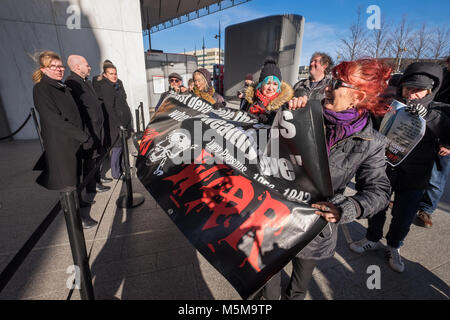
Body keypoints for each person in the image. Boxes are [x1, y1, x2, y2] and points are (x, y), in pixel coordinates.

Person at [265, 58, 392, 300]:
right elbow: (269, 153)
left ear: (358, 97)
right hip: (277, 215)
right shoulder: (305, 112)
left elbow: (380, 190)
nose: (327, 87)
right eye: (331, 80)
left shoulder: (372, 142)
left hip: (314, 226)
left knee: (298, 289)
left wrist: (348, 207)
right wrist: (289, 115)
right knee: (266, 281)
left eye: (336, 83)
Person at [350, 62, 450, 273]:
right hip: (384, 170)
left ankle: (394, 246)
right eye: (409, 89)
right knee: (376, 207)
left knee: (404, 215)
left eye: (418, 91)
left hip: (415, 175)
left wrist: (428, 117)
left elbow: (447, 131)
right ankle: (372, 238)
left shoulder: (436, 112)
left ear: (429, 91)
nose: (412, 95)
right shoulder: (390, 103)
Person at [32, 51, 91, 217]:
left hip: (72, 142)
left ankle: (79, 203)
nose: (59, 69)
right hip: (61, 145)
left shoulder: (61, 86)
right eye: (53, 66)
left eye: (61, 66)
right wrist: (82, 136)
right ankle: (75, 220)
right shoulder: (41, 88)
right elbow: (53, 119)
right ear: (43, 69)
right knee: (68, 185)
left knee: (75, 178)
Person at [66, 55, 111, 199]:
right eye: (86, 64)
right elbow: (78, 110)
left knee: (96, 156)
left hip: (96, 128)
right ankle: (92, 186)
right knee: (90, 159)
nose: (89, 67)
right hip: (88, 129)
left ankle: (97, 180)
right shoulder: (72, 83)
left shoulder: (85, 81)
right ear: (77, 66)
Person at [416, 57, 450, 227]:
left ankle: (426, 210)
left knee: (436, 176)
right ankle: (411, 200)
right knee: (416, 168)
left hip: (445, 136)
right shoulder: (441, 76)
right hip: (427, 128)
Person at [93, 61, 133, 180]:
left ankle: (122, 168)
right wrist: (119, 124)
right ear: (105, 75)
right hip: (115, 123)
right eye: (111, 74)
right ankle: (116, 173)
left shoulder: (118, 84)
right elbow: (110, 108)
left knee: (123, 148)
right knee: (117, 148)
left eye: (115, 73)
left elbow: (123, 98)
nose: (114, 76)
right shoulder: (106, 87)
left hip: (124, 121)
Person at [240, 58, 294, 125]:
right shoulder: (250, 99)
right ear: (261, 84)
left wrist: (270, 120)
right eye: (267, 83)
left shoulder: (285, 105)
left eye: (275, 84)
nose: (271, 88)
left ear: (279, 86)